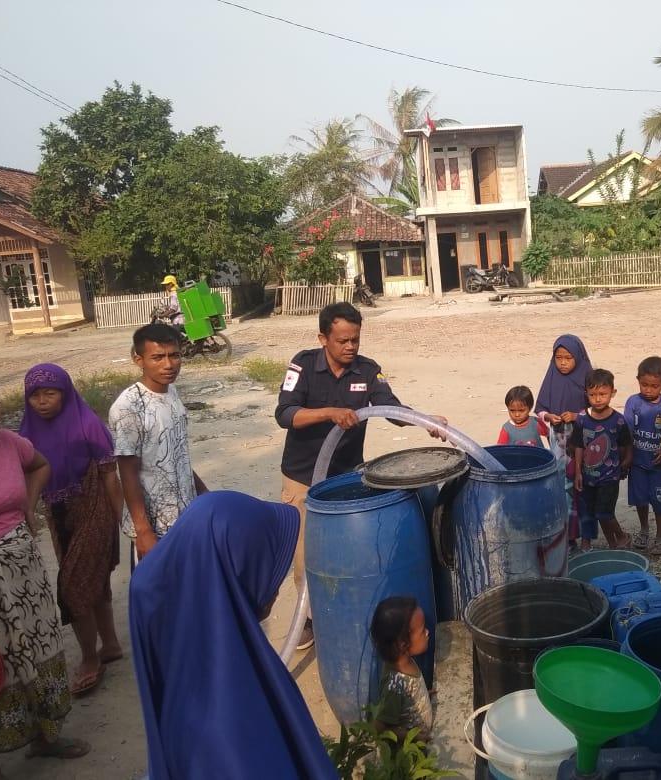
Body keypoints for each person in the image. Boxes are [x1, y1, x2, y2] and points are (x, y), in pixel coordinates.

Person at [274, 302, 445, 651]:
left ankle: (345, 609)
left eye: (355, 339)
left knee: (349, 550)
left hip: (348, 477)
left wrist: (425, 421)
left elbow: (390, 407)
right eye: (342, 340)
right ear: (324, 338)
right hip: (303, 477)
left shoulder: (367, 371)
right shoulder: (303, 365)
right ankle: (309, 618)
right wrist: (330, 413)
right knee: (306, 556)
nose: (350, 347)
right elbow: (285, 414)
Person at [129, 491, 336, 779]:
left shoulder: (193, 679)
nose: (277, 583)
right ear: (234, 578)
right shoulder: (234, 730)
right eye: (269, 566)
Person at [0, 389, 91, 773]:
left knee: (36, 646)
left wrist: (29, 508)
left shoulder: (9, 443)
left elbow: (40, 465)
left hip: (22, 568)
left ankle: (45, 736)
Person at [19, 364, 124, 698]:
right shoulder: (26, 432)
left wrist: (122, 518)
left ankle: (90, 659)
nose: (42, 401)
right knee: (92, 580)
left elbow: (110, 474)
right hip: (58, 514)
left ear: (64, 392)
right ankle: (109, 645)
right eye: (34, 395)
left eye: (50, 392)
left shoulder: (87, 424)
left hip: (94, 508)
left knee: (73, 585)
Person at [108, 323, 207, 564]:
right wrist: (143, 532)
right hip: (154, 526)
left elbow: (177, 453)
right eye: (158, 357)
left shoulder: (172, 393)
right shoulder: (128, 407)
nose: (168, 365)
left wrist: (204, 496)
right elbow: (127, 471)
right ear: (138, 360)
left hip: (185, 517)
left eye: (174, 355)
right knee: (160, 596)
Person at [535, 334, 593, 552]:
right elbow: (540, 407)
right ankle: (567, 536)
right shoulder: (552, 377)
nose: (562, 363)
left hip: (582, 440)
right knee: (562, 484)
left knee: (582, 484)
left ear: (578, 356)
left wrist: (577, 416)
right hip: (558, 440)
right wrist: (548, 416)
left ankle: (585, 533)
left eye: (568, 358)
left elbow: (597, 408)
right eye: (558, 358)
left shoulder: (588, 378)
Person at [569, 368, 632, 552]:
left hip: (609, 476)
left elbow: (626, 445)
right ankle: (599, 544)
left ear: (613, 393)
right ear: (586, 394)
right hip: (587, 476)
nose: (598, 398)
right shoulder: (582, 419)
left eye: (603, 394)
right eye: (593, 394)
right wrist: (579, 472)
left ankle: (621, 536)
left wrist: (626, 463)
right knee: (588, 510)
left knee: (604, 512)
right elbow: (578, 445)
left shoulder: (618, 420)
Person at [624, 356, 661, 555]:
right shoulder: (633, 402)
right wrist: (626, 458)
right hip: (638, 463)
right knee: (640, 499)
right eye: (644, 384)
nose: (648, 389)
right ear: (638, 379)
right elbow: (627, 431)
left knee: (660, 499)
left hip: (659, 466)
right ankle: (644, 529)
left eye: (654, 386)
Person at [369, 596, 434, 743]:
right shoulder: (396, 685)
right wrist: (415, 738)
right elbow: (379, 727)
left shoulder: (405, 662)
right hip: (412, 753)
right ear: (403, 644)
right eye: (422, 630)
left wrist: (421, 696)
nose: (427, 632)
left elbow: (406, 698)